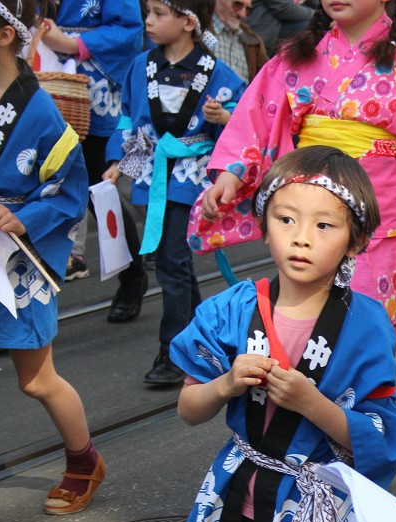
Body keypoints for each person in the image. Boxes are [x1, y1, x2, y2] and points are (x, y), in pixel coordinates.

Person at [171, 146, 396, 522]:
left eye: (324, 225)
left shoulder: (364, 323)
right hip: (244, 513)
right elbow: (189, 406)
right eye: (286, 219)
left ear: (356, 242)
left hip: (316, 518)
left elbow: (387, 429)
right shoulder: (232, 310)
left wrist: (314, 404)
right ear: (263, 224)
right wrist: (227, 384)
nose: (301, 238)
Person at [194, 0, 396, 340]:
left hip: (384, 230)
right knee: (301, 341)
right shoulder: (297, 57)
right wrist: (231, 174)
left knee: (368, 343)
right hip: (308, 228)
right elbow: (256, 117)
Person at [0, 0, 105, 515]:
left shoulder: (40, 111)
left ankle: (84, 461)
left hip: (11, 253)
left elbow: (68, 193)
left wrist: (23, 219)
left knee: (36, 379)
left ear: (3, 36)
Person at [105, 0, 247, 385]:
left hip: (191, 174)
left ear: (188, 22)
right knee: (174, 261)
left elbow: (244, 125)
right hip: (154, 171)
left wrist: (224, 118)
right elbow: (125, 115)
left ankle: (173, 352)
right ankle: (200, 342)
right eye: (147, 12)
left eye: (158, 13)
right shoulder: (141, 66)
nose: (148, 21)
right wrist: (118, 157)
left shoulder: (218, 72)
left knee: (172, 260)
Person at [41, 0, 149, 321]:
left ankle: (132, 276)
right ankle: (18, 298)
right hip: (40, 82)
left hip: (91, 93)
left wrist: (72, 44)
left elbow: (129, 31)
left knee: (97, 191)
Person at [212, 0, 269, 83]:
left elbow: (267, 80)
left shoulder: (253, 42)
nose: (242, 14)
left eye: (248, 9)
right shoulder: (195, 33)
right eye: (237, 5)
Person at [245, 0, 313, 55]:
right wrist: (315, 15)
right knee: (309, 28)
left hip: (272, 30)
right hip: (257, 34)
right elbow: (284, 8)